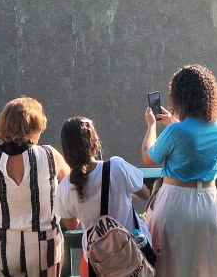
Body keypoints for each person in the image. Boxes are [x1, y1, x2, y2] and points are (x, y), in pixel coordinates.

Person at [140, 64, 217, 277]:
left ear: (180, 97)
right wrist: (173, 122)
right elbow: (193, 137)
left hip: (175, 204)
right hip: (208, 203)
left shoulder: (174, 132)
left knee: (169, 266)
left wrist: (152, 126)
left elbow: (147, 158)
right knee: (205, 266)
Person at [0, 97, 70, 277]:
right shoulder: (50, 156)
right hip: (44, 246)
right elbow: (69, 180)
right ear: (35, 126)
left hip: (1, 245)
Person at [53, 117, 151, 276]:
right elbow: (145, 194)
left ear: (66, 151)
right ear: (94, 143)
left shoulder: (65, 186)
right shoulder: (117, 167)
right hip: (134, 256)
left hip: (97, 263)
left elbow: (71, 225)